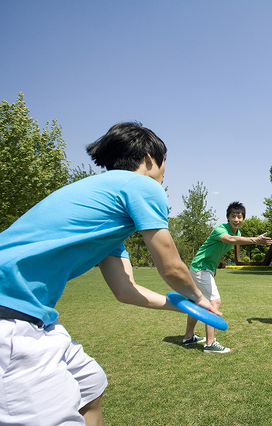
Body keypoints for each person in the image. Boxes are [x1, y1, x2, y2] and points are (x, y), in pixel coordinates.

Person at [0, 122, 217, 426]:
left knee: (89, 384)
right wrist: (200, 296)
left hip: (34, 317)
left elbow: (125, 290)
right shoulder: (143, 186)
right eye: (165, 160)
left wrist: (181, 304)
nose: (165, 169)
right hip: (9, 318)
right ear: (149, 156)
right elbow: (170, 266)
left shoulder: (106, 213)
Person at [184, 202, 272, 351]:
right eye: (233, 216)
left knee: (197, 303)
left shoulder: (237, 233)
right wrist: (255, 240)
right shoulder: (220, 229)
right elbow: (229, 240)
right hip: (200, 268)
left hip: (204, 268)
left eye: (239, 216)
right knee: (214, 302)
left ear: (243, 218)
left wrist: (216, 266)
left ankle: (188, 337)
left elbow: (220, 249)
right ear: (227, 217)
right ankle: (210, 344)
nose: (236, 219)